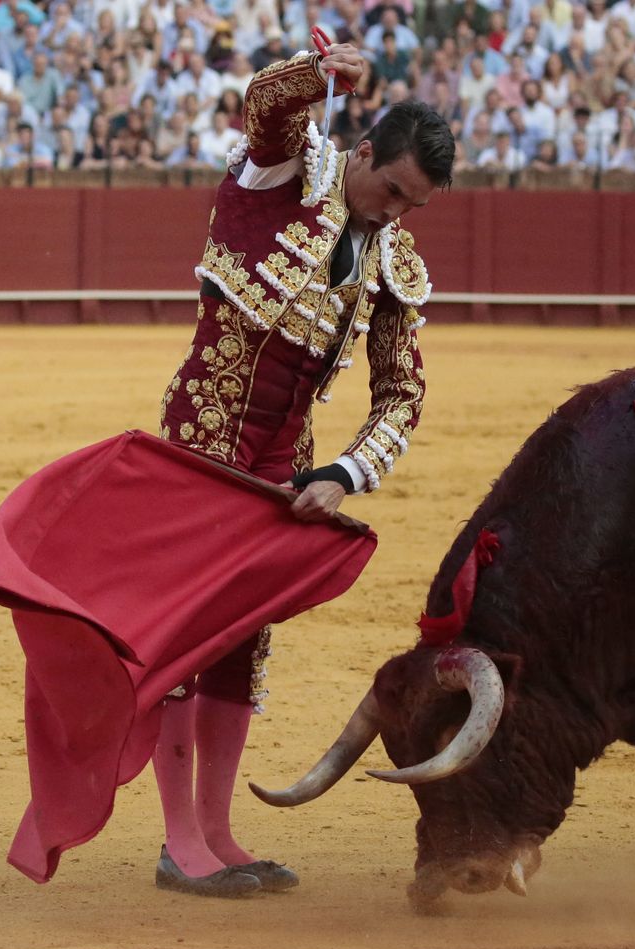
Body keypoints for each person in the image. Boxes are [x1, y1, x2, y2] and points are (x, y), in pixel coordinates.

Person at [154, 42, 451, 897]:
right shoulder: (284, 170)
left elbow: (402, 395)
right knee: (186, 629)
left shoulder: (395, 261)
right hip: (203, 438)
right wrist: (320, 76)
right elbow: (266, 104)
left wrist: (349, 474)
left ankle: (216, 830)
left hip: (286, 459)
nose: (395, 213)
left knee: (243, 639)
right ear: (361, 153)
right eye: (390, 190)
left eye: (413, 205)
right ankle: (180, 842)